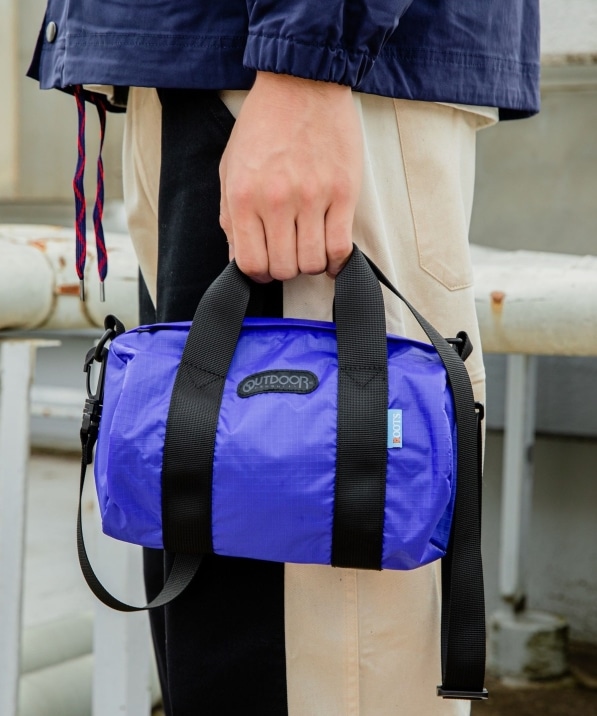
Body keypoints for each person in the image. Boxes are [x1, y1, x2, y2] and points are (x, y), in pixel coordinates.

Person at [29, 2, 540, 714]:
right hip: (205, 75)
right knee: (219, 642)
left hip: (299, 75)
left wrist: (308, 64)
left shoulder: (302, 69)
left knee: (327, 655)